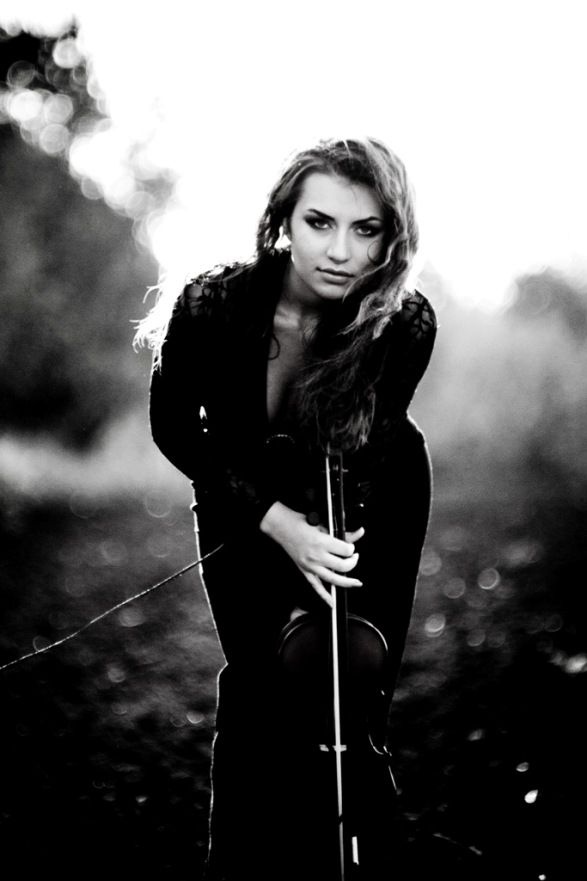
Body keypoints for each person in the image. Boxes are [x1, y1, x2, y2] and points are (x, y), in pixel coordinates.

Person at [135, 136, 437, 880]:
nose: (339, 250)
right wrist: (278, 525)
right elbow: (176, 429)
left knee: (353, 681)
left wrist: (329, 538)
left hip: (372, 495)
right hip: (241, 504)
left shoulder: (402, 322)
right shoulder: (212, 305)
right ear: (283, 220)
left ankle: (356, 853)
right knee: (257, 683)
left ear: (390, 239)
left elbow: (371, 446)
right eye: (319, 222)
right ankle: (239, 868)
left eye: (365, 229)